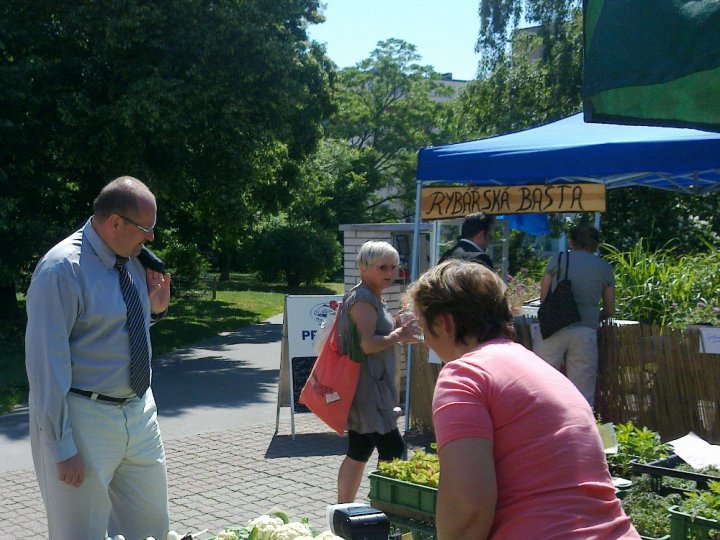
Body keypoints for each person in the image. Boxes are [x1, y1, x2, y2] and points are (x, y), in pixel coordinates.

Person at [405, 259, 639, 540]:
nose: (425, 338)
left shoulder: (465, 373)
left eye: (422, 325)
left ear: (443, 322)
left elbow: (468, 508)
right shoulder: (543, 371)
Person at [25, 176, 172, 540]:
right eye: (145, 228)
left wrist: (153, 312)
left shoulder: (134, 260)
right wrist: (60, 446)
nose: (151, 238)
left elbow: (113, 336)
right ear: (115, 222)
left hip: (139, 413)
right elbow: (45, 366)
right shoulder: (62, 270)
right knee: (81, 533)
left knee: (153, 529)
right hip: (84, 417)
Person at [336, 240, 419, 503]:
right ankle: (386, 509)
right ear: (363, 268)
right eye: (383, 267)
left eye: (394, 267)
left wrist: (397, 327)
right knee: (394, 449)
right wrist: (399, 333)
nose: (390, 273)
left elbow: (379, 335)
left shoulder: (372, 296)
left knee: (359, 449)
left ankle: (343, 510)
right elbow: (367, 344)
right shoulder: (363, 299)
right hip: (370, 390)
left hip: (372, 387)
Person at [533, 224, 616, 406]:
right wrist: (596, 316)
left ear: (571, 242)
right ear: (596, 244)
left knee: (542, 381)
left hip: (553, 327)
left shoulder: (559, 259)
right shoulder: (604, 267)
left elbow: (543, 297)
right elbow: (610, 309)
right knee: (582, 390)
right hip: (585, 330)